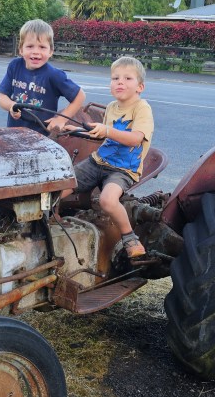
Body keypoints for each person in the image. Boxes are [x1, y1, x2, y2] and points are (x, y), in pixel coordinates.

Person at [60, 56, 154, 259]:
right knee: (59, 186)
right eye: (115, 78)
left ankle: (129, 237)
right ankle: (49, 221)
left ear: (140, 87)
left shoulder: (142, 108)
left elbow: (135, 139)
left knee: (108, 200)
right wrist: (76, 130)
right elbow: (103, 137)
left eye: (127, 78)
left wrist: (107, 130)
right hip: (98, 161)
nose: (120, 82)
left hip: (123, 169)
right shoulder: (111, 106)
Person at [0, 19, 86, 136]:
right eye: (30, 46)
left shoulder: (54, 75)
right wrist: (11, 106)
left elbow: (80, 96)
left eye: (42, 47)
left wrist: (61, 119)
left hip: (41, 137)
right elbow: (2, 97)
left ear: (51, 51)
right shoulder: (15, 66)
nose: (36, 52)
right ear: (21, 49)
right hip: (14, 133)